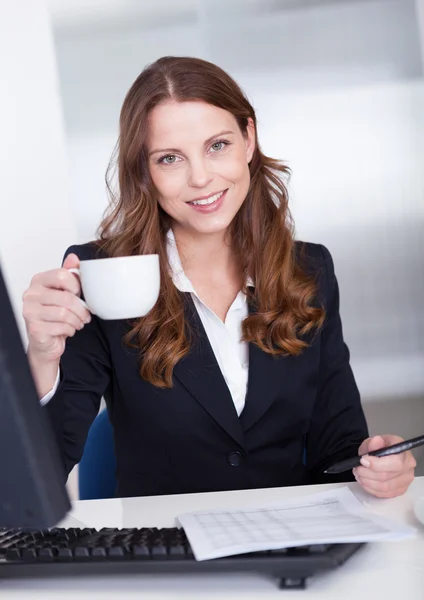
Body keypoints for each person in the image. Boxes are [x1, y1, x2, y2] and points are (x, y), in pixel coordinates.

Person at [23, 56, 415, 499]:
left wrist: (375, 467)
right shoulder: (103, 276)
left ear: (248, 140)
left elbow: (337, 453)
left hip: (291, 550)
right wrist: (40, 360)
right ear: (145, 173)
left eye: (217, 145)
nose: (201, 177)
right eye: (170, 158)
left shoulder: (310, 270)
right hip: (169, 554)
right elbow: (36, 479)